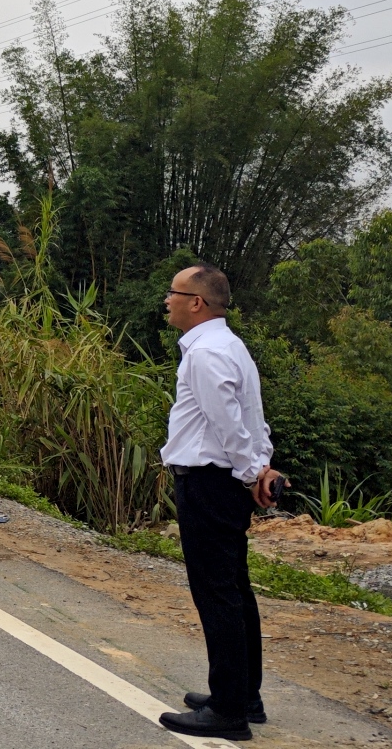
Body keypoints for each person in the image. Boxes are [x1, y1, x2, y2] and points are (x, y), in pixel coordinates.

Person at [157, 262, 288, 742]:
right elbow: (253, 419)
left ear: (196, 302)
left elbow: (228, 424)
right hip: (225, 481)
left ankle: (229, 711)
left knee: (217, 594)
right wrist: (260, 466)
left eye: (173, 293)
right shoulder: (229, 347)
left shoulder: (206, 353)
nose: (166, 300)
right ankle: (243, 696)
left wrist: (254, 469)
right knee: (234, 588)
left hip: (209, 482)